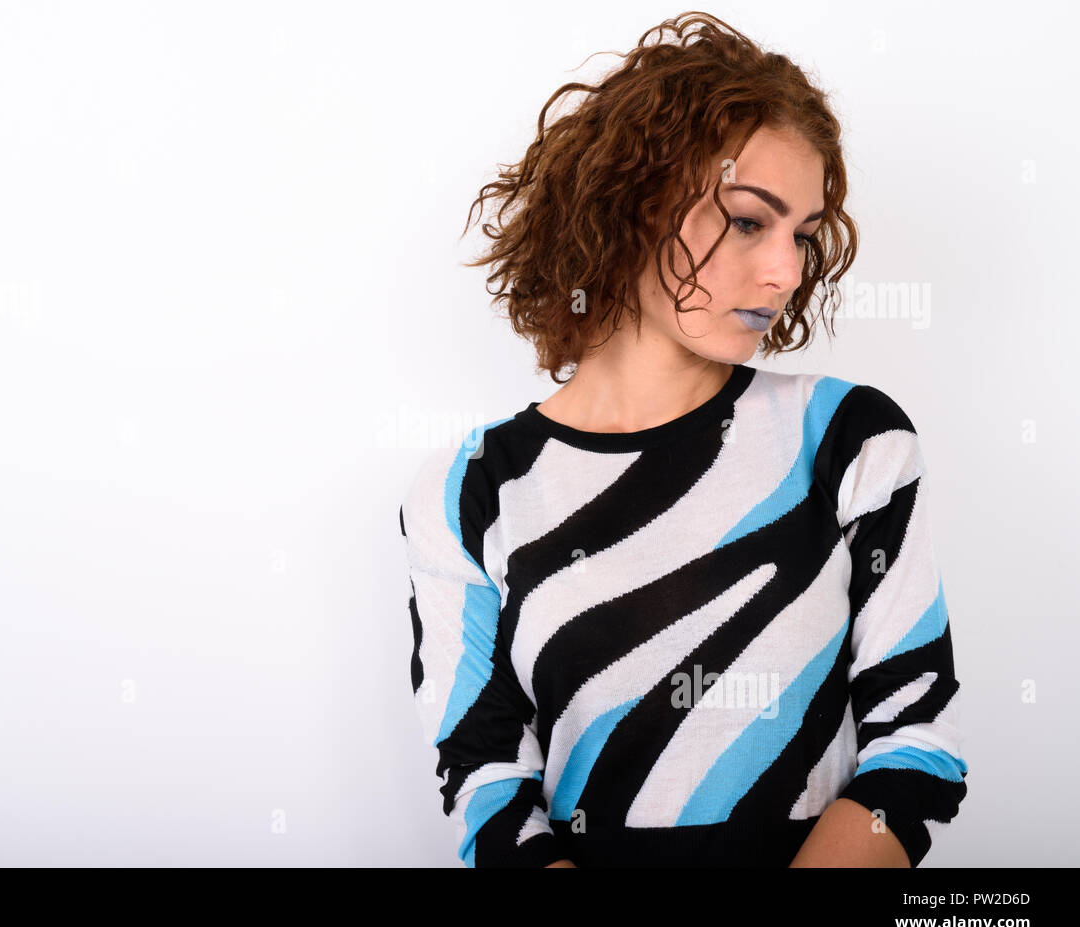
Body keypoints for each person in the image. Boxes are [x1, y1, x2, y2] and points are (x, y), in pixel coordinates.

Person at [397, 11, 968, 867]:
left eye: (804, 236)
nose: (785, 271)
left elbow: (913, 747)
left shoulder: (850, 440)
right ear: (631, 202)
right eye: (747, 220)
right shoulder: (471, 488)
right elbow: (486, 788)